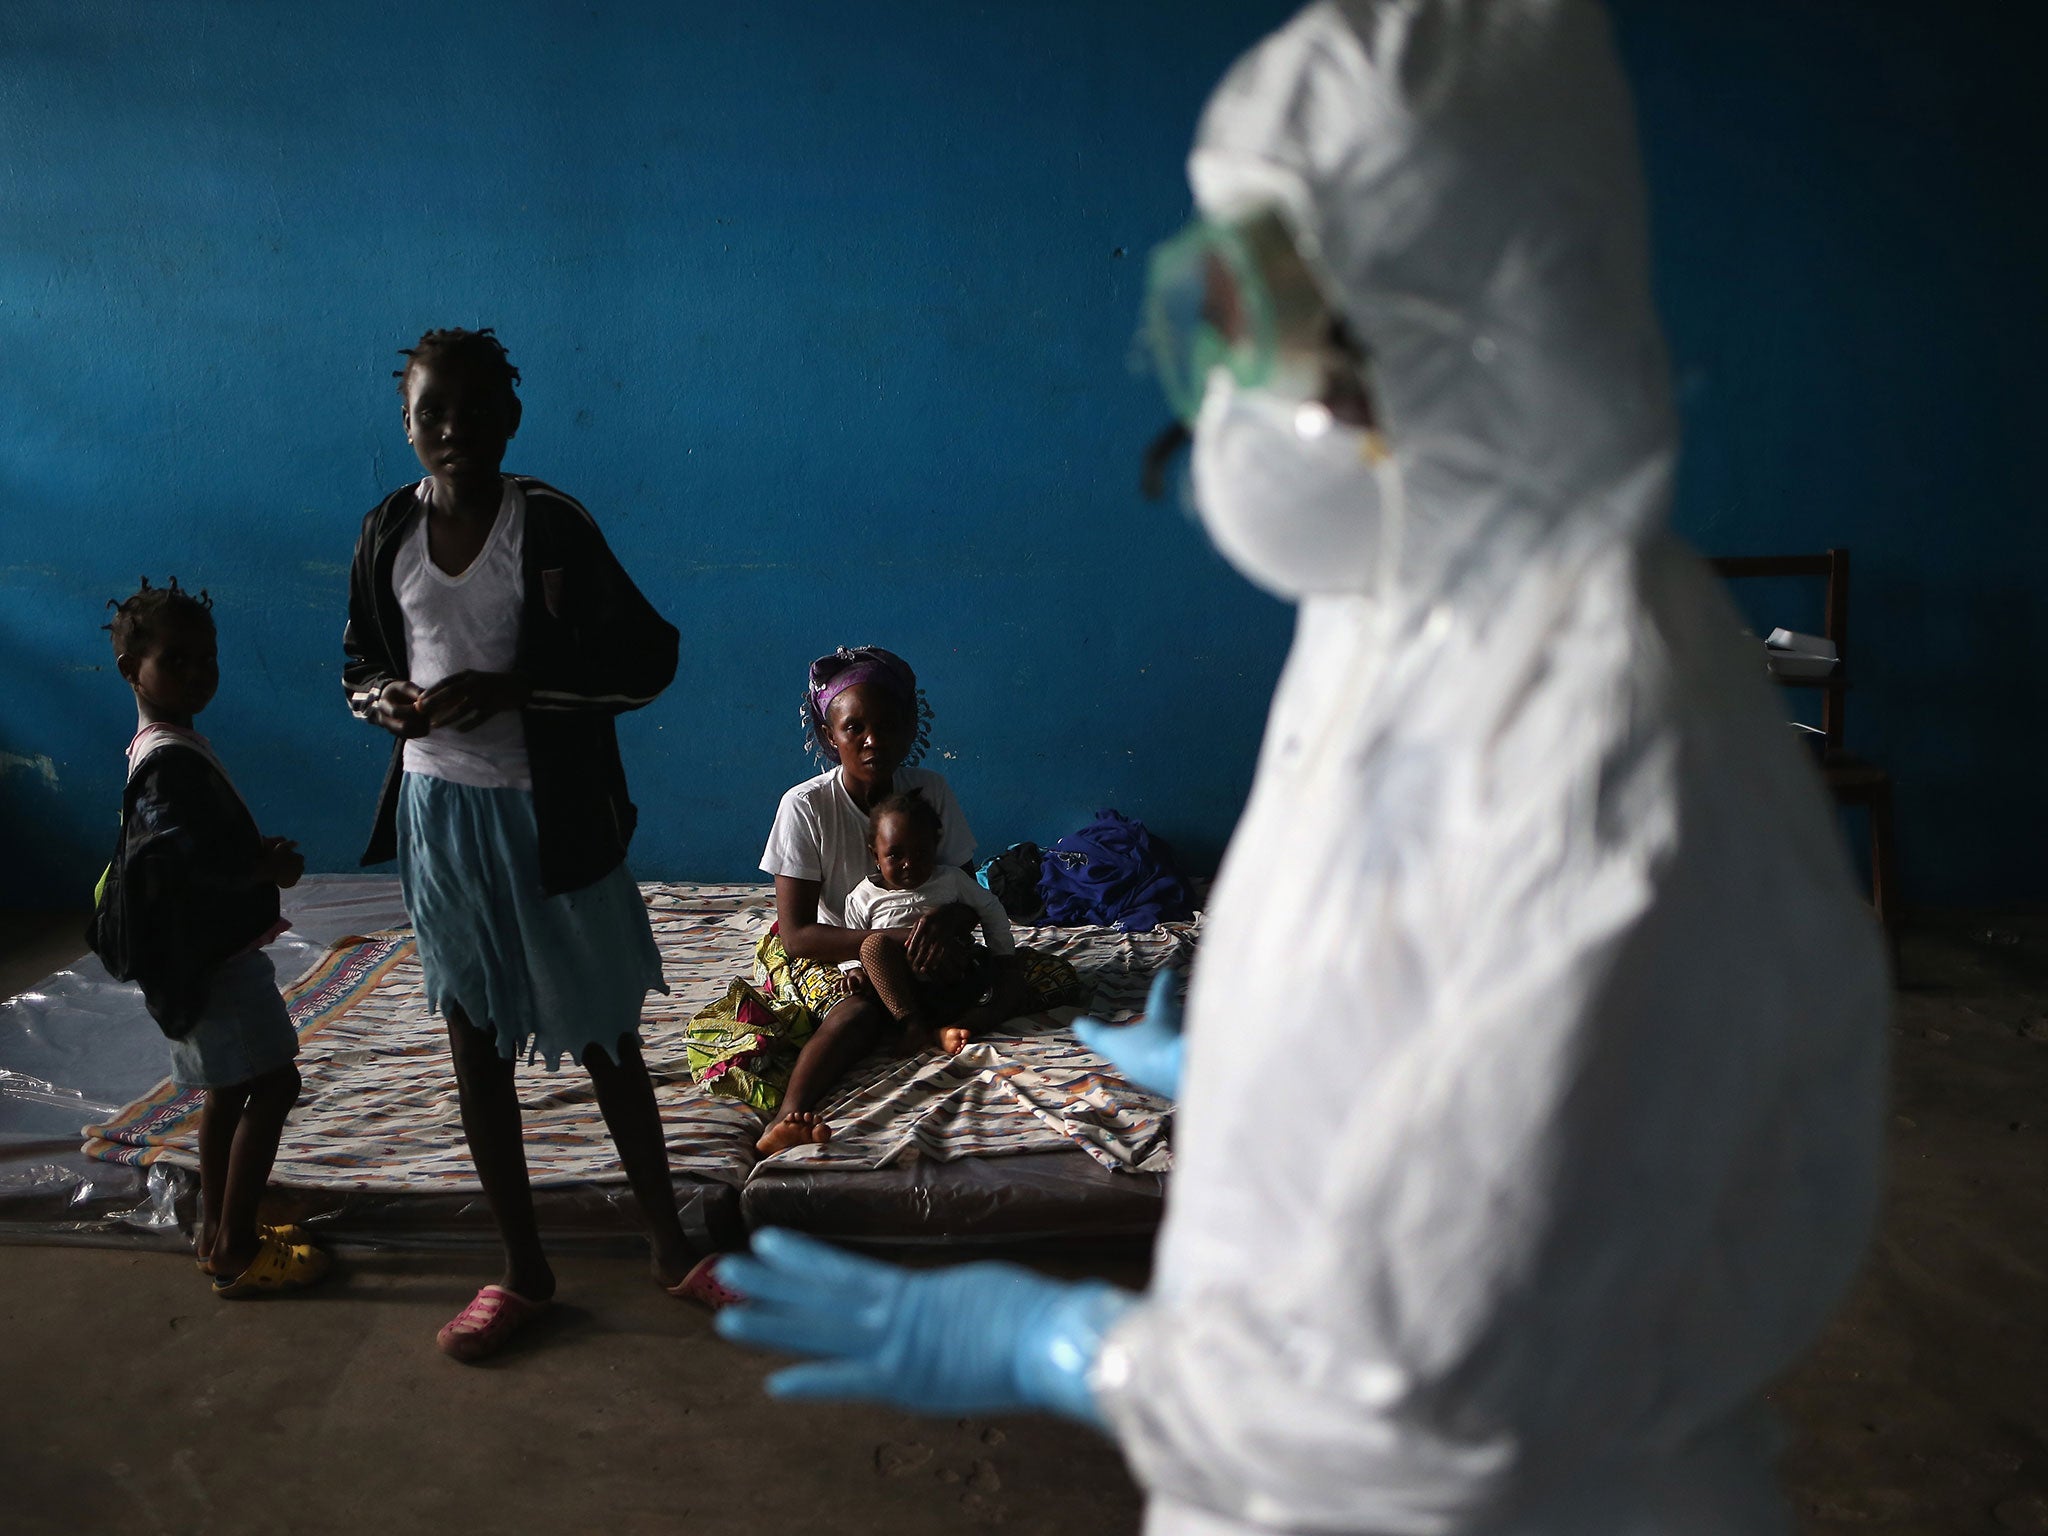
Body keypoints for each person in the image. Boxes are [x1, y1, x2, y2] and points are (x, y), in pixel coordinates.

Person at [714, 4, 1891, 1533]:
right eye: (1226, 314)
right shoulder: (1404, 601)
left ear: (1466, 331)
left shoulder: (1602, 745)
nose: (1231, 395)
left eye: (1283, 333)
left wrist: (1078, 1348)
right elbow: (1444, 1017)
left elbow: (1436, 1378)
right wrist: (1269, 1068)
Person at [341, 326, 729, 1358]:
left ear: (511, 418)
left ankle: (668, 1247)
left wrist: (518, 690)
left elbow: (648, 660)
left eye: (475, 410)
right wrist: (384, 700)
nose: (454, 429)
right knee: (473, 1039)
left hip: (551, 816)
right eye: (432, 413)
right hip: (440, 818)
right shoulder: (385, 529)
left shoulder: (548, 526)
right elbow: (359, 664)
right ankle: (522, 1270)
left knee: (606, 1036)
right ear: (406, 422)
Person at [88, 577, 329, 1298]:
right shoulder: (168, 762)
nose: (198, 675)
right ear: (132, 670)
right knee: (275, 1083)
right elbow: (185, 862)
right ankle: (235, 1245)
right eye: (177, 661)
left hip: (195, 964)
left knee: (227, 1094)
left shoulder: (161, 746)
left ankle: (217, 1227)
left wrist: (251, 854)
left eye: (208, 660)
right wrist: (265, 867)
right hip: (215, 966)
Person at [747, 646, 1077, 1156]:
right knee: (860, 1009)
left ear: (909, 727)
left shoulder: (929, 789)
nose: (872, 740)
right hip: (836, 948)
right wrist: (886, 944)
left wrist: (946, 925)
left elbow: (968, 892)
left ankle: (933, 1019)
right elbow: (796, 934)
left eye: (886, 725)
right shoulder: (806, 806)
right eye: (854, 728)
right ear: (829, 737)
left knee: (1046, 977)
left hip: (926, 941)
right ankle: (790, 1115)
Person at [843, 788, 1020, 1056]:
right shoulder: (862, 897)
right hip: (903, 994)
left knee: (1011, 990)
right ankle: (912, 1025)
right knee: (871, 945)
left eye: (921, 853)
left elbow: (991, 907)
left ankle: (957, 1027)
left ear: (935, 848)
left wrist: (1004, 955)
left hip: (956, 979)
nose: (908, 864)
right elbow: (850, 941)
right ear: (874, 855)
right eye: (895, 855)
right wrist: (853, 970)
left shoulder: (950, 879)